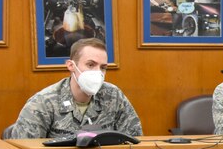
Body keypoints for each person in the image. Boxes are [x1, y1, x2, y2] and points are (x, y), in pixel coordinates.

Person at [11, 37, 142, 139]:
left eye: (103, 67)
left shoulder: (114, 96)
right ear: (71, 66)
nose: (98, 72)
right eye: (91, 65)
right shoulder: (43, 102)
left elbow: (135, 140)